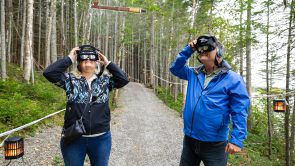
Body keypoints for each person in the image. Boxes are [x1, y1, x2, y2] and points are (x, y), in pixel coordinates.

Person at [170, 35, 250, 166]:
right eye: (199, 49)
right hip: (190, 139)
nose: (202, 51)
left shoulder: (233, 79)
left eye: (207, 48)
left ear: (219, 52)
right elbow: (175, 68)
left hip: (215, 144)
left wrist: (236, 139)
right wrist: (189, 49)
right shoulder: (193, 73)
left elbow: (240, 110)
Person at [43, 45, 129, 166]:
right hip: (74, 138)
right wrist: (69, 58)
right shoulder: (70, 80)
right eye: (83, 58)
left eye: (91, 58)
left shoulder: (104, 81)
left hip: (101, 139)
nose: (87, 61)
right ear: (79, 62)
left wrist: (107, 63)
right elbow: (49, 73)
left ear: (96, 62)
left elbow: (123, 79)